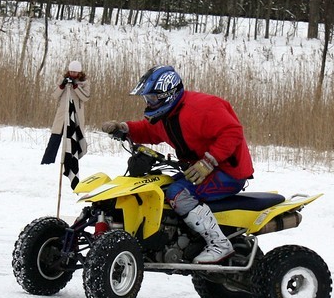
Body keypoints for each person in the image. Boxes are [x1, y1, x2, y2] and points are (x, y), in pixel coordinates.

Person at [102, 65, 254, 264]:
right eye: (147, 99)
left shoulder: (203, 107)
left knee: (178, 193)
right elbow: (149, 131)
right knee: (157, 188)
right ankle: (176, 241)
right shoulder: (167, 116)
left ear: (169, 94)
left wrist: (208, 162)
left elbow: (232, 132)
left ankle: (219, 244)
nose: (149, 103)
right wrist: (124, 128)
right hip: (198, 169)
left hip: (228, 171)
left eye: (153, 98)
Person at [41, 60, 91, 164]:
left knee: (73, 140)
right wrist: (62, 85)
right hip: (62, 115)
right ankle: (47, 162)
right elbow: (55, 95)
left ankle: (70, 163)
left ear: (79, 73)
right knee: (55, 138)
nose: (72, 74)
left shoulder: (84, 82)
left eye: (75, 72)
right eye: (71, 71)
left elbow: (86, 97)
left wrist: (76, 87)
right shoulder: (62, 79)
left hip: (75, 115)